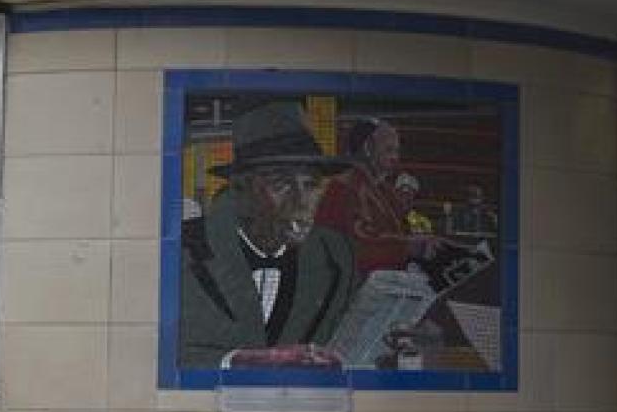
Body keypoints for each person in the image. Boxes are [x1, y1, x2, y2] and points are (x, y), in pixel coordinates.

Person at [178, 102, 356, 368]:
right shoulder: (185, 248)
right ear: (241, 189)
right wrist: (240, 361)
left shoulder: (335, 254)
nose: (302, 202)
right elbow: (155, 351)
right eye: (281, 184)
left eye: (311, 185)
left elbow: (348, 340)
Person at [315, 119, 440, 281]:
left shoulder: (384, 190)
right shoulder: (343, 189)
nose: (395, 158)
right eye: (389, 150)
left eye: (397, 151)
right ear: (368, 148)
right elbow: (356, 248)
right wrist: (408, 247)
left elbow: (402, 230)